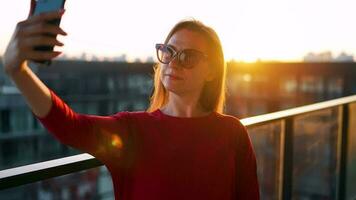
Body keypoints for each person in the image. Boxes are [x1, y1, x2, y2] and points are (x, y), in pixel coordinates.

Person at [2, 3, 260, 200]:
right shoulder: (133, 131)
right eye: (168, 52)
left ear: (212, 71)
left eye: (188, 56)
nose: (172, 63)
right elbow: (69, 125)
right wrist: (18, 71)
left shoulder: (232, 133)